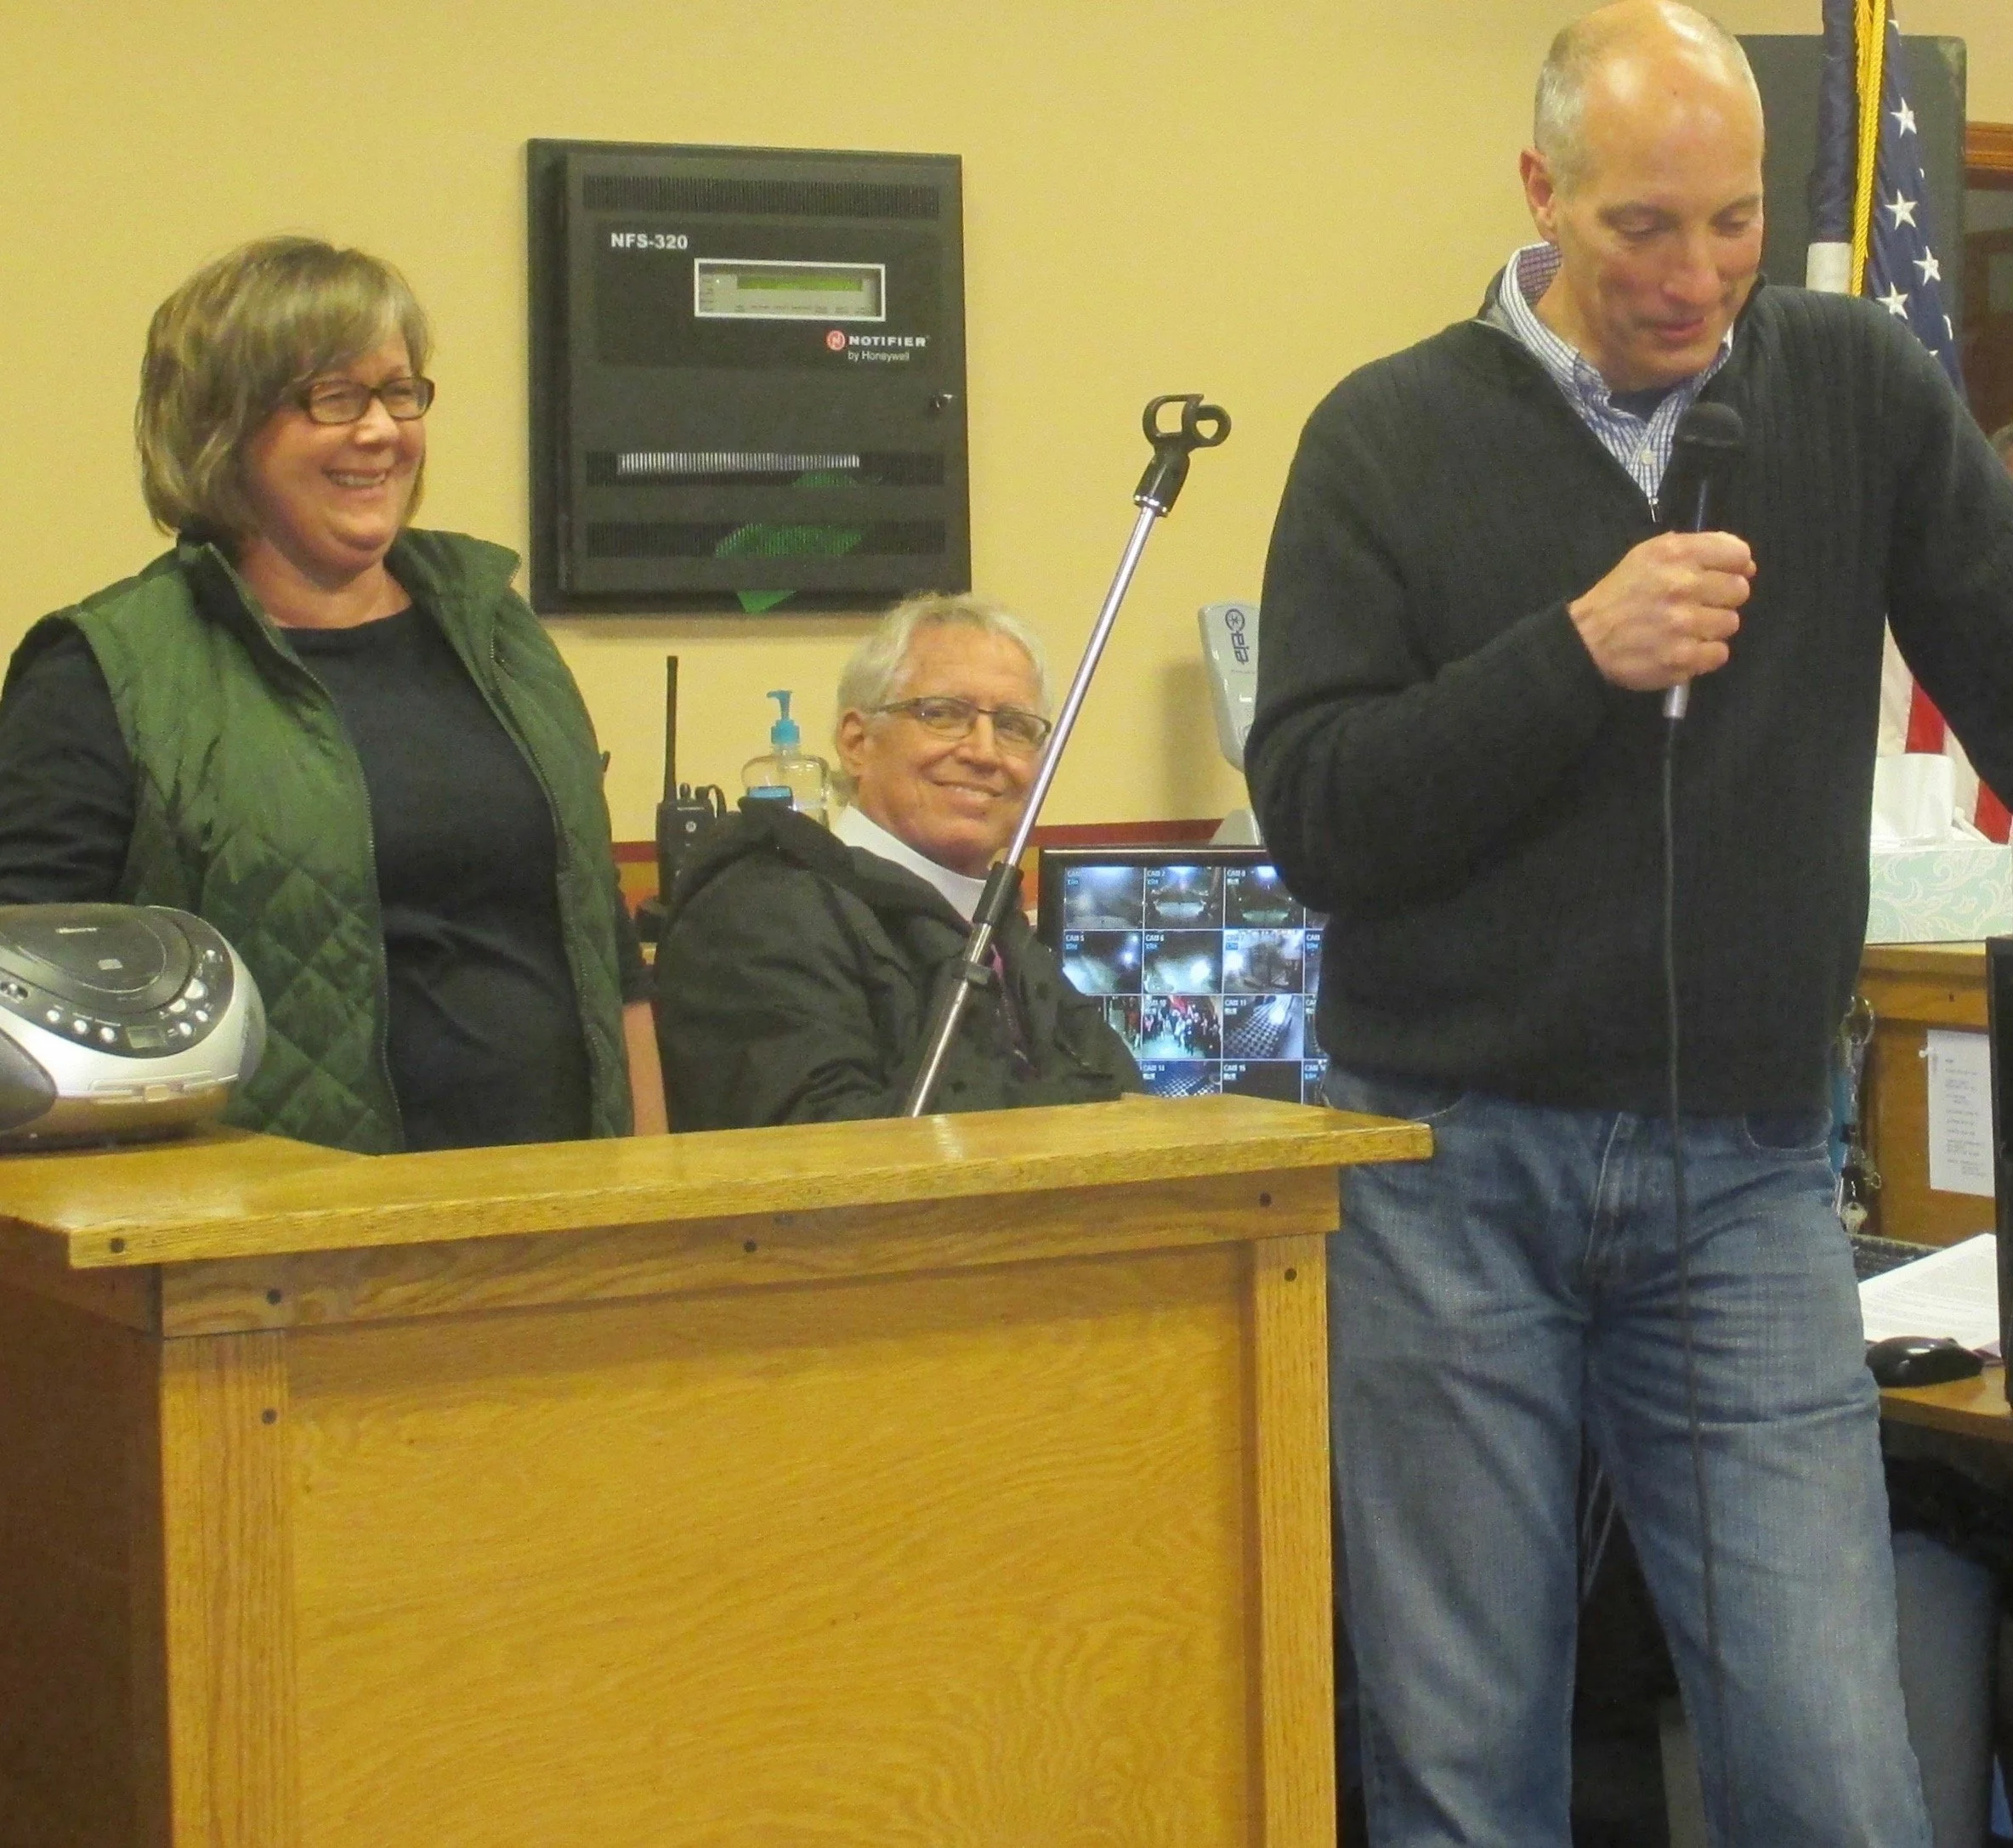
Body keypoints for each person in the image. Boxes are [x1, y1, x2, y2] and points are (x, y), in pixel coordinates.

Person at [1248, 4, 2013, 1844]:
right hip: (1441, 1169)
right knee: (1460, 1768)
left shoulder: (1850, 391)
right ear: (1539, 193)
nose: (1695, 278)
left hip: (1743, 1176)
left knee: (1832, 1769)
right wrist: (1570, 659)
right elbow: (1321, 818)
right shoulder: (1382, 434)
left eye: (1735, 222)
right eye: (1641, 230)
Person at [0, 235, 666, 1153]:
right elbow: (23, 1014)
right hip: (274, 1247)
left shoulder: (495, 630)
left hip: (554, 1223)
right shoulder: (108, 668)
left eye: (400, 392)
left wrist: (657, 1192)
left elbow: (606, 954)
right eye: (335, 398)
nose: (382, 431)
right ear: (222, 428)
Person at [654, 591, 1139, 1127]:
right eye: (943, 715)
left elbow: (1133, 1111)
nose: (983, 752)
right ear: (857, 742)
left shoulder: (1006, 934)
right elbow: (827, 1158)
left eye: (1014, 727)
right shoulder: (760, 914)